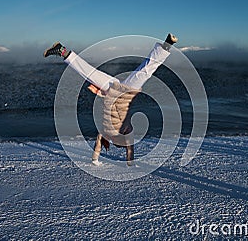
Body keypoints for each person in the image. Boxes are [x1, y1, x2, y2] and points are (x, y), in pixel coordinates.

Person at [44, 33, 178, 166]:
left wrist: (100, 93)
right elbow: (122, 148)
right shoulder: (113, 131)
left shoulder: (110, 132)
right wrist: (101, 160)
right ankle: (167, 45)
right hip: (120, 91)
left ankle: (62, 50)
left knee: (93, 73)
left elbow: (115, 146)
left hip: (116, 90)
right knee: (143, 71)